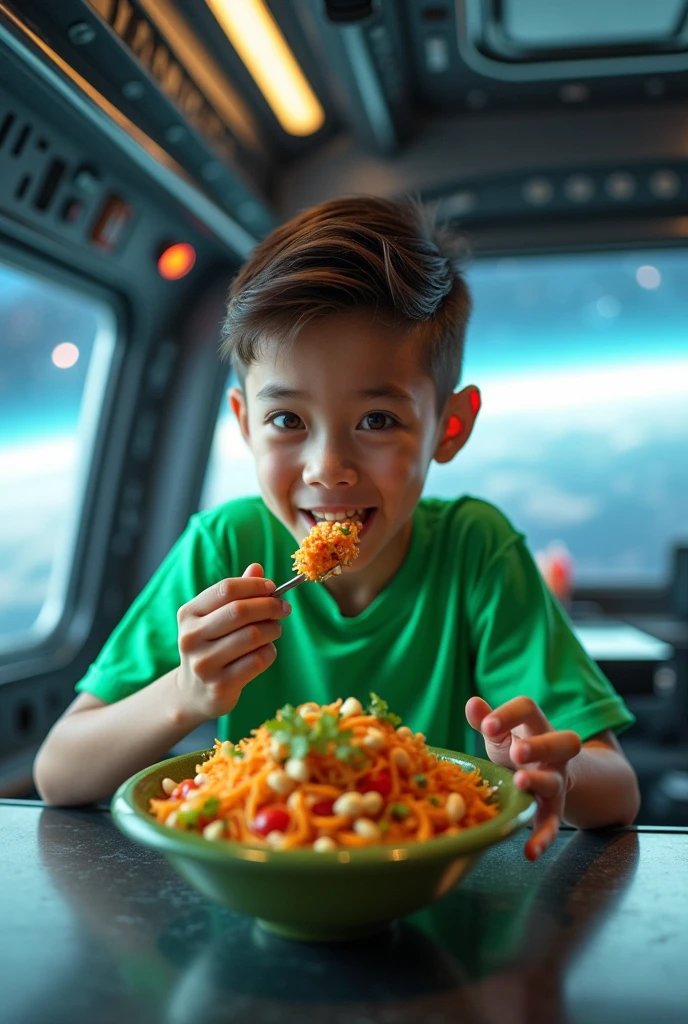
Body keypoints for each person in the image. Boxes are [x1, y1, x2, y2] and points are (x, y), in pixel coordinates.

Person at [34, 196, 640, 859]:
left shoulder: (477, 550)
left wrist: (551, 768)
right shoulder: (224, 546)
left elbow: (617, 788)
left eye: (377, 421)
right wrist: (187, 692)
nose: (328, 469)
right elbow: (60, 771)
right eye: (288, 421)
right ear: (243, 424)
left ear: (449, 428)